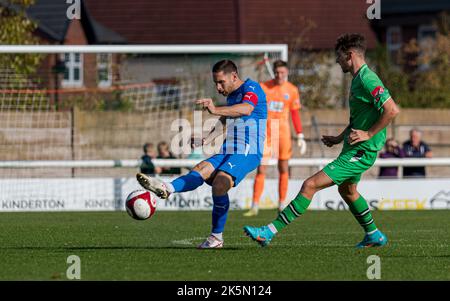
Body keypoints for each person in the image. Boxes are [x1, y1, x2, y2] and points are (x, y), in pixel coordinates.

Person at [243, 33, 400, 249]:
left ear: (350, 55)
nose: (337, 61)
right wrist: (339, 137)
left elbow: (392, 110)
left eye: (339, 57)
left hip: (361, 151)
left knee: (310, 185)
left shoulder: (367, 78)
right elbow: (361, 118)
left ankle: (268, 232)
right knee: (348, 191)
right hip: (352, 149)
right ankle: (374, 235)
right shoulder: (358, 80)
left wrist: (369, 134)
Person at [136, 59, 267, 249]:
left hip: (249, 149)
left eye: (221, 82)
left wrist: (214, 109)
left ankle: (216, 237)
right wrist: (207, 138)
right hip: (229, 148)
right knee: (201, 168)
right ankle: (166, 188)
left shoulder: (251, 88)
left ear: (234, 76)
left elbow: (247, 109)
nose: (218, 87)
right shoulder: (232, 96)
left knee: (220, 183)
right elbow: (225, 119)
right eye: (215, 82)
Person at [244, 60, 306, 217]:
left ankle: (281, 204)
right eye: (277, 72)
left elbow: (295, 114)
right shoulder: (263, 87)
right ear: (274, 72)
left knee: (283, 168)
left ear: (287, 73)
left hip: (283, 133)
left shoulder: (292, 90)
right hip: (266, 134)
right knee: (262, 168)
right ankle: (255, 205)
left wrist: (300, 134)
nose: (279, 75)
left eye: (282, 72)